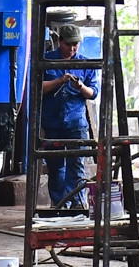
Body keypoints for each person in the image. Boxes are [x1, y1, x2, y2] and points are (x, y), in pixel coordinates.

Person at [39, 22, 100, 209]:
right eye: (68, 45)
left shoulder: (85, 63)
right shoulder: (45, 60)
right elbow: (37, 88)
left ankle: (77, 204)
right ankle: (59, 206)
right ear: (59, 41)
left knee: (76, 166)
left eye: (76, 45)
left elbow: (94, 92)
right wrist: (59, 81)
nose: (72, 49)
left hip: (76, 124)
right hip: (52, 123)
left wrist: (80, 87)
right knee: (56, 167)